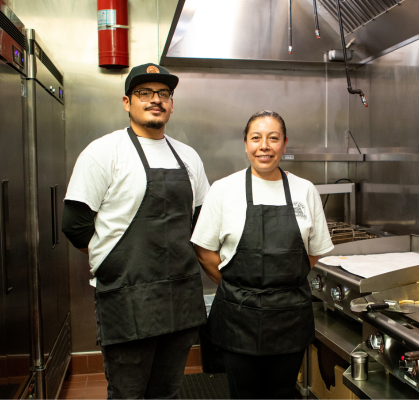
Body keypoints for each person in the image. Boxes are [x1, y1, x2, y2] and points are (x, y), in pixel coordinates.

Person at [62, 63, 210, 399]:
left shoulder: (189, 157)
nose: (155, 100)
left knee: (167, 392)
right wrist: (117, 261)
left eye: (163, 94)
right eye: (145, 93)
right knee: (128, 394)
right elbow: (74, 224)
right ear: (127, 102)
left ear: (171, 104)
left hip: (180, 297)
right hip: (128, 298)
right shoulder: (104, 152)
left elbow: (202, 221)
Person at [191, 110, 334, 399]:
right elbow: (204, 251)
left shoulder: (304, 190)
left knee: (282, 393)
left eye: (273, 138)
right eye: (256, 138)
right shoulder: (223, 190)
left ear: (284, 144)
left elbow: (313, 253)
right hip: (238, 315)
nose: (264, 146)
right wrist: (239, 285)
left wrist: (281, 280)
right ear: (246, 143)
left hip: (289, 316)